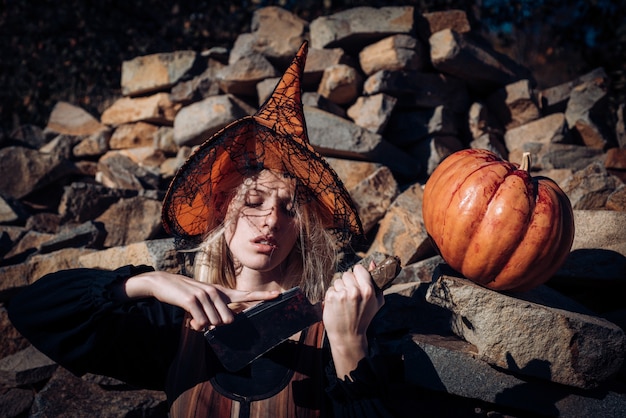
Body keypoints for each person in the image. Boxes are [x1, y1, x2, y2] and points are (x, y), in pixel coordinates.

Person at [8, 42, 398, 417]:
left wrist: (349, 346)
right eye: (254, 202)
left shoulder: (333, 325)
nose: (272, 220)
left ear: (303, 231)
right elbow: (31, 309)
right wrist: (147, 283)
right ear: (221, 214)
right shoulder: (176, 324)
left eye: (290, 210)